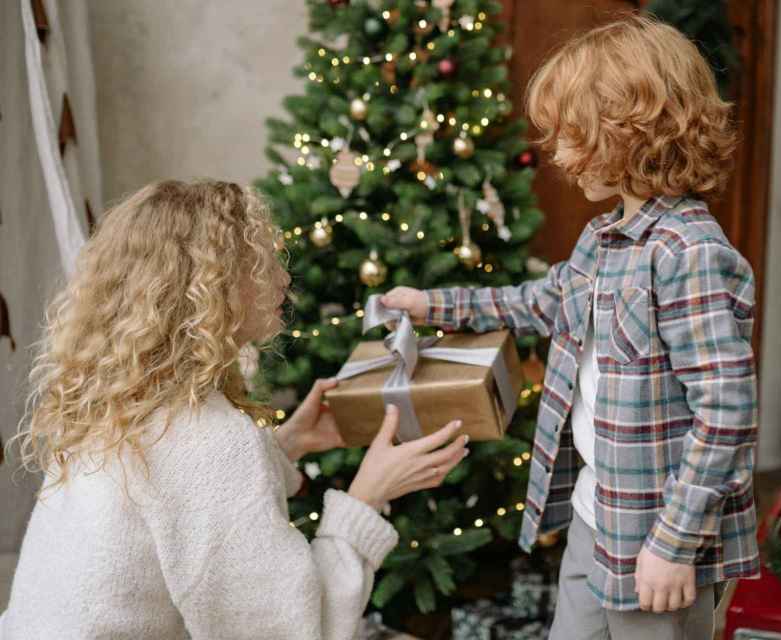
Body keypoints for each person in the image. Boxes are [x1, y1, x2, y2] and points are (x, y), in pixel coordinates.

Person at [381, 14, 760, 640]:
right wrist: (431, 304)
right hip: (594, 516)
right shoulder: (602, 240)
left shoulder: (688, 253)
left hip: (656, 540)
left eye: (571, 134)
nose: (555, 154)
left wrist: (673, 542)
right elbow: (538, 302)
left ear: (631, 131)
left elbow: (725, 411)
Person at [0, 180, 469, 640]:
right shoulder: (207, 435)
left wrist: (291, 443)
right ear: (209, 285)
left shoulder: (124, 400)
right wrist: (367, 495)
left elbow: (176, 497)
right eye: (260, 261)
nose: (284, 278)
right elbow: (288, 631)